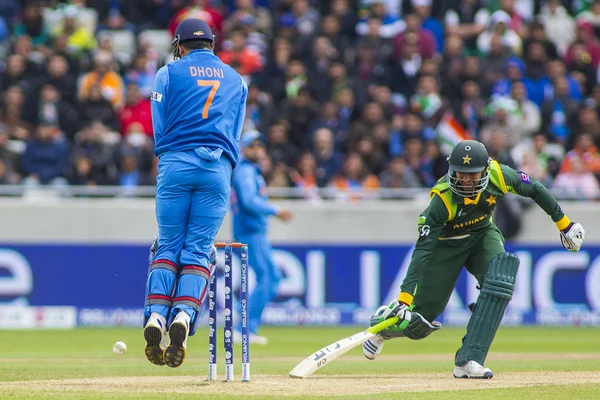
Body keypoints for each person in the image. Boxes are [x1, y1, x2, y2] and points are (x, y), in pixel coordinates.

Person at [362, 140, 585, 378]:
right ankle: (382, 328)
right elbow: (422, 251)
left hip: (482, 235)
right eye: (461, 174)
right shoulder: (442, 199)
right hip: (445, 247)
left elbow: (535, 189)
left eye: (472, 175)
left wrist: (565, 224)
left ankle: (468, 361)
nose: (466, 181)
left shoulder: (499, 174)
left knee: (500, 279)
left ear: (485, 170)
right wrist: (404, 300)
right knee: (420, 321)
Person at [143, 18, 248, 368]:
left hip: (176, 163)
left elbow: (159, 122)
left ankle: (157, 316)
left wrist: (171, 152)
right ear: (212, 44)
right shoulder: (236, 79)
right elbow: (235, 131)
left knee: (169, 245)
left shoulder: (167, 74)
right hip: (217, 169)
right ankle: (185, 316)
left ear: (180, 45)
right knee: (199, 249)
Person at [231, 130, 293, 345]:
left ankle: (245, 324)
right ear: (244, 149)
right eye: (252, 146)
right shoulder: (245, 171)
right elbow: (248, 201)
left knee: (270, 277)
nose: (257, 149)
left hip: (254, 230)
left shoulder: (251, 171)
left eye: (260, 145)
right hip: (250, 230)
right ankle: (244, 327)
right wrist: (275, 210)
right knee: (269, 277)